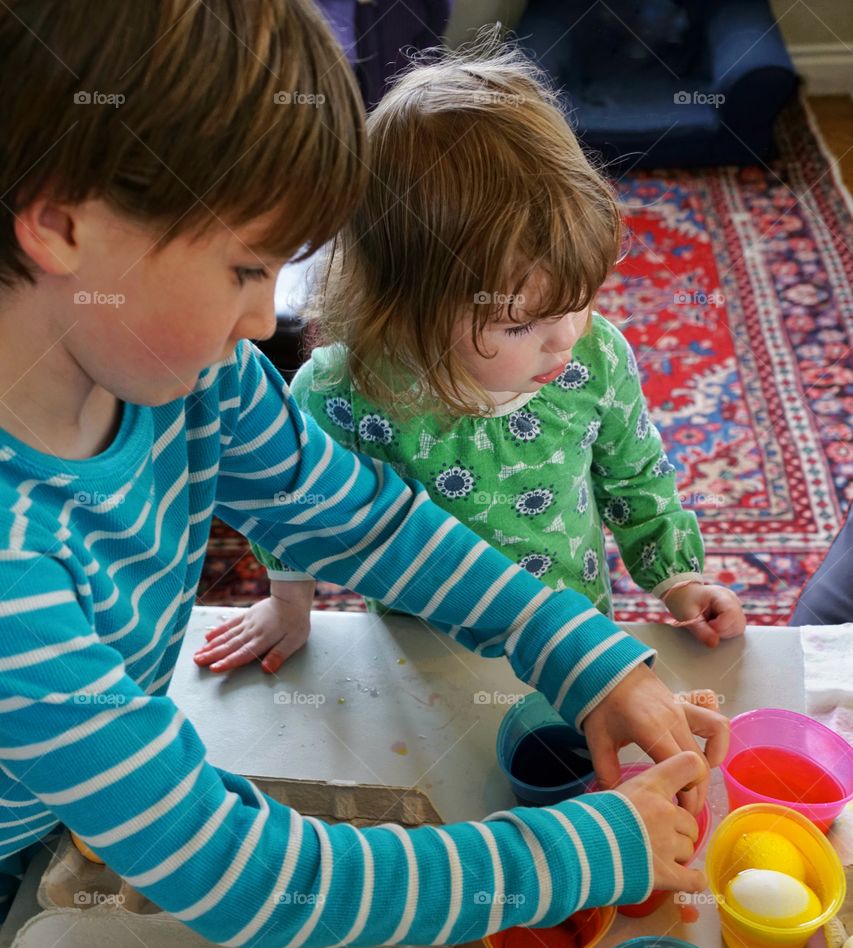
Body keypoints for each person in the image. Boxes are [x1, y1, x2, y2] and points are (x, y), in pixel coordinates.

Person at [0, 0, 726, 944]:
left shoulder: (196, 379)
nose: (266, 322)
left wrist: (584, 661)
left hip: (74, 791)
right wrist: (581, 849)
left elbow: (364, 524)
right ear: (62, 226)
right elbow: (235, 873)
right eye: (246, 268)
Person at [195, 41, 745, 689]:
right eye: (518, 323)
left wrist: (678, 577)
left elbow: (635, 481)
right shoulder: (341, 389)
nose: (565, 338)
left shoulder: (596, 355)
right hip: (422, 656)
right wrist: (289, 605)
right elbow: (292, 502)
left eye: (579, 300)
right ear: (403, 308)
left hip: (571, 636)